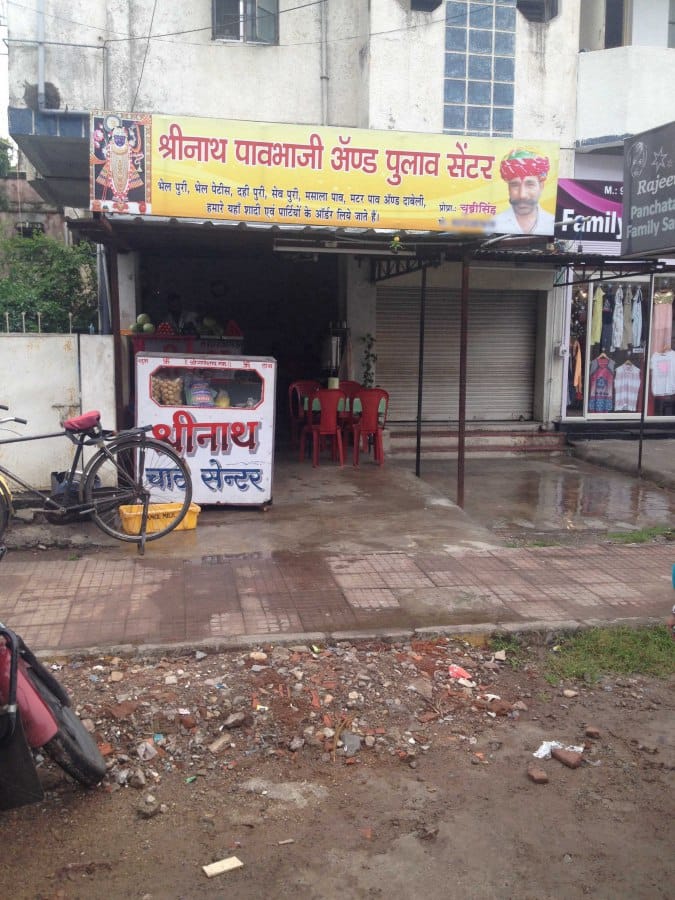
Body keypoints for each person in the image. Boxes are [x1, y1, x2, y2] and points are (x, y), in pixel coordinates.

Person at [491, 148, 555, 236]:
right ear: (508, 188)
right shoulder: (493, 224)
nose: (522, 195)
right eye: (515, 185)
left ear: (541, 186)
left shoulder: (552, 224)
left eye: (530, 184)